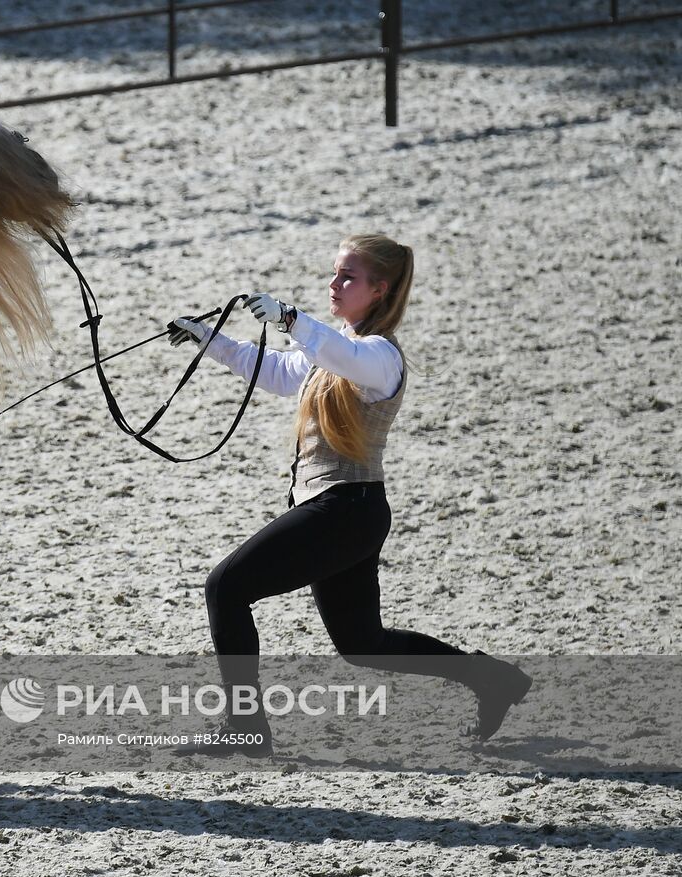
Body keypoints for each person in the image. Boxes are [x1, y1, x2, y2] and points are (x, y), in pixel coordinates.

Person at [168, 233, 531, 756]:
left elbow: (341, 353)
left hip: (345, 509)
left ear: (379, 290)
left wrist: (291, 319)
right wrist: (210, 339)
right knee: (364, 645)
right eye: (335, 273)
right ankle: (490, 679)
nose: (334, 284)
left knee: (226, 587)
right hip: (344, 513)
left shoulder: (378, 356)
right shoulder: (334, 350)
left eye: (348, 277)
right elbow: (278, 371)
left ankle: (245, 727)